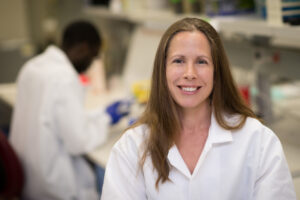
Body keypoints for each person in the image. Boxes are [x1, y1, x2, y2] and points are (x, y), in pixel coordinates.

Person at [101, 18, 296, 200]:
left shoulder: (258, 141)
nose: (190, 74)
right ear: (163, 70)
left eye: (201, 62)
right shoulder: (132, 147)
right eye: (178, 61)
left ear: (216, 71)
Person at [9, 20, 128, 200]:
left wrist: (102, 113)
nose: (92, 63)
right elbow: (78, 142)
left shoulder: (33, 66)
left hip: (25, 174)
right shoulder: (64, 78)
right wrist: (106, 121)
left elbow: (54, 118)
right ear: (83, 48)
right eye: (94, 56)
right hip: (51, 186)